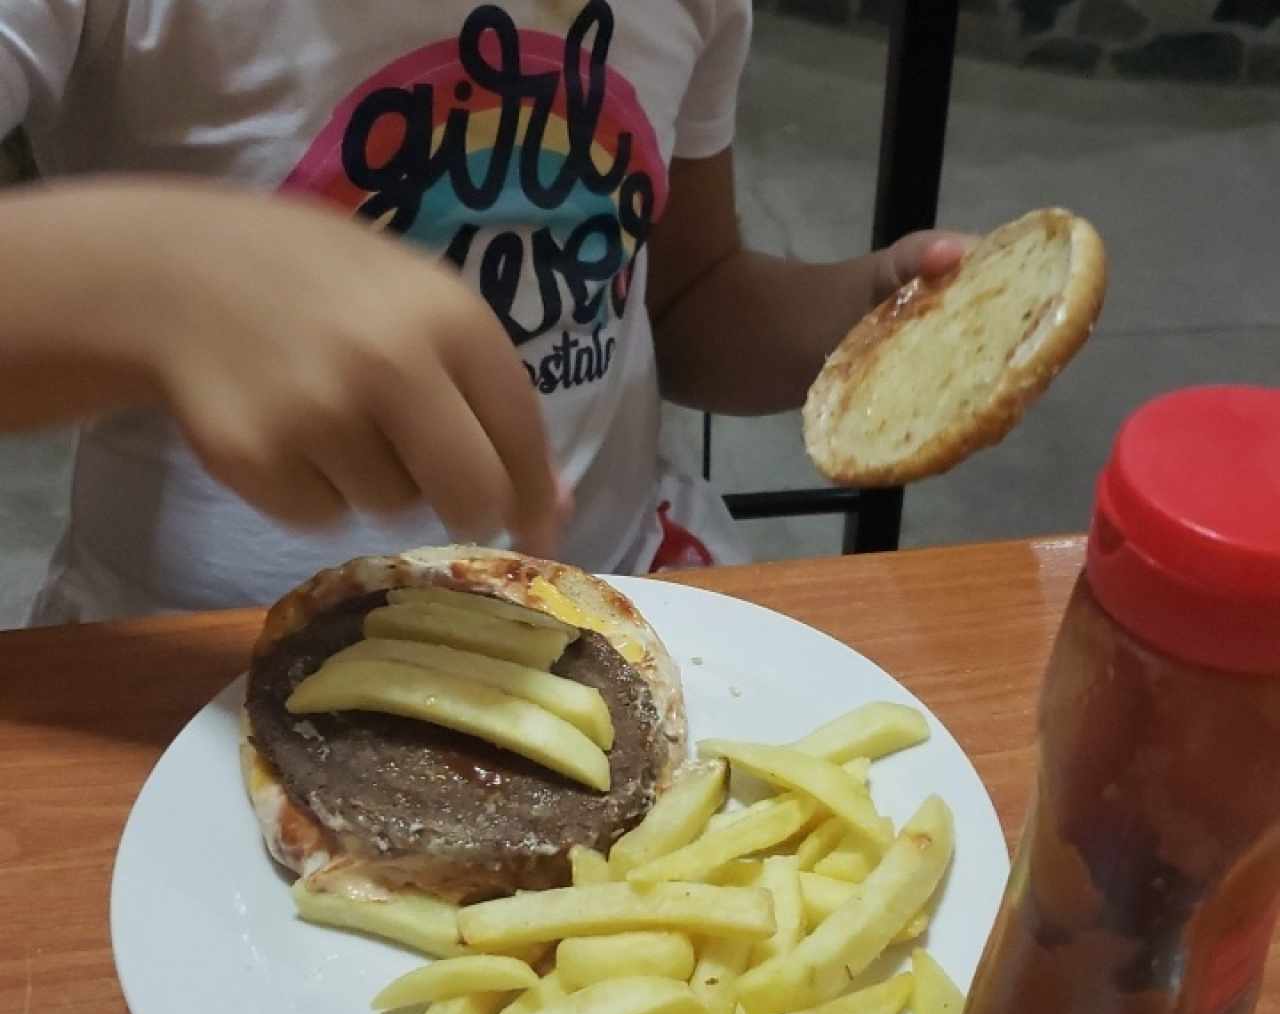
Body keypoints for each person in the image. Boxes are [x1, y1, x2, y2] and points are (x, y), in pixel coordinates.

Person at [0, 0, 969, 624]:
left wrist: (870, 319)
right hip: (198, 657)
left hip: (599, 606)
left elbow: (687, 296)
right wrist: (145, 277)